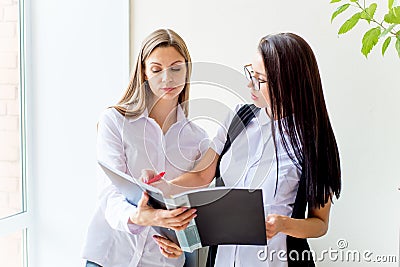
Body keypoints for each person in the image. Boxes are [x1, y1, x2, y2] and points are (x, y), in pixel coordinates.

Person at [151, 33, 341, 267]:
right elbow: (202, 175)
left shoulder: (312, 142)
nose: (250, 84)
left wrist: (283, 224)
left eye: (260, 79)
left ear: (287, 82)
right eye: (251, 72)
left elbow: (320, 223)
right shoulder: (238, 118)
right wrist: (162, 188)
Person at [81, 29, 209, 267]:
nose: (167, 79)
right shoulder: (115, 121)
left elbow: (198, 211)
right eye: (156, 69)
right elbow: (109, 194)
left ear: (187, 69)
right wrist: (139, 217)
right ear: (143, 71)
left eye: (176, 68)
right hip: (111, 255)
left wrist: (183, 242)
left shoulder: (198, 139)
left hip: (161, 261)